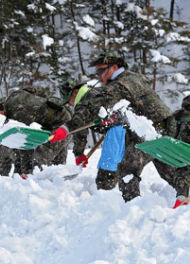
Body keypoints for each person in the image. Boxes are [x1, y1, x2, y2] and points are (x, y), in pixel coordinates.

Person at [50, 52, 177, 202]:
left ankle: (132, 208)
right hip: (159, 127)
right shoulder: (132, 78)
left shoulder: (122, 84)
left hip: (154, 130)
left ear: (114, 67)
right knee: (167, 170)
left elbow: (96, 105)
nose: (98, 76)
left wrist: (66, 128)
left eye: (100, 71)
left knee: (128, 168)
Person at [2, 86, 72, 176]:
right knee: (56, 165)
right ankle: (58, 179)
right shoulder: (15, 96)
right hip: (60, 119)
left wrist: (26, 171)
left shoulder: (17, 114)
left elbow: (26, 143)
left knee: (38, 161)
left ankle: (33, 180)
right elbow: (36, 90)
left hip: (61, 127)